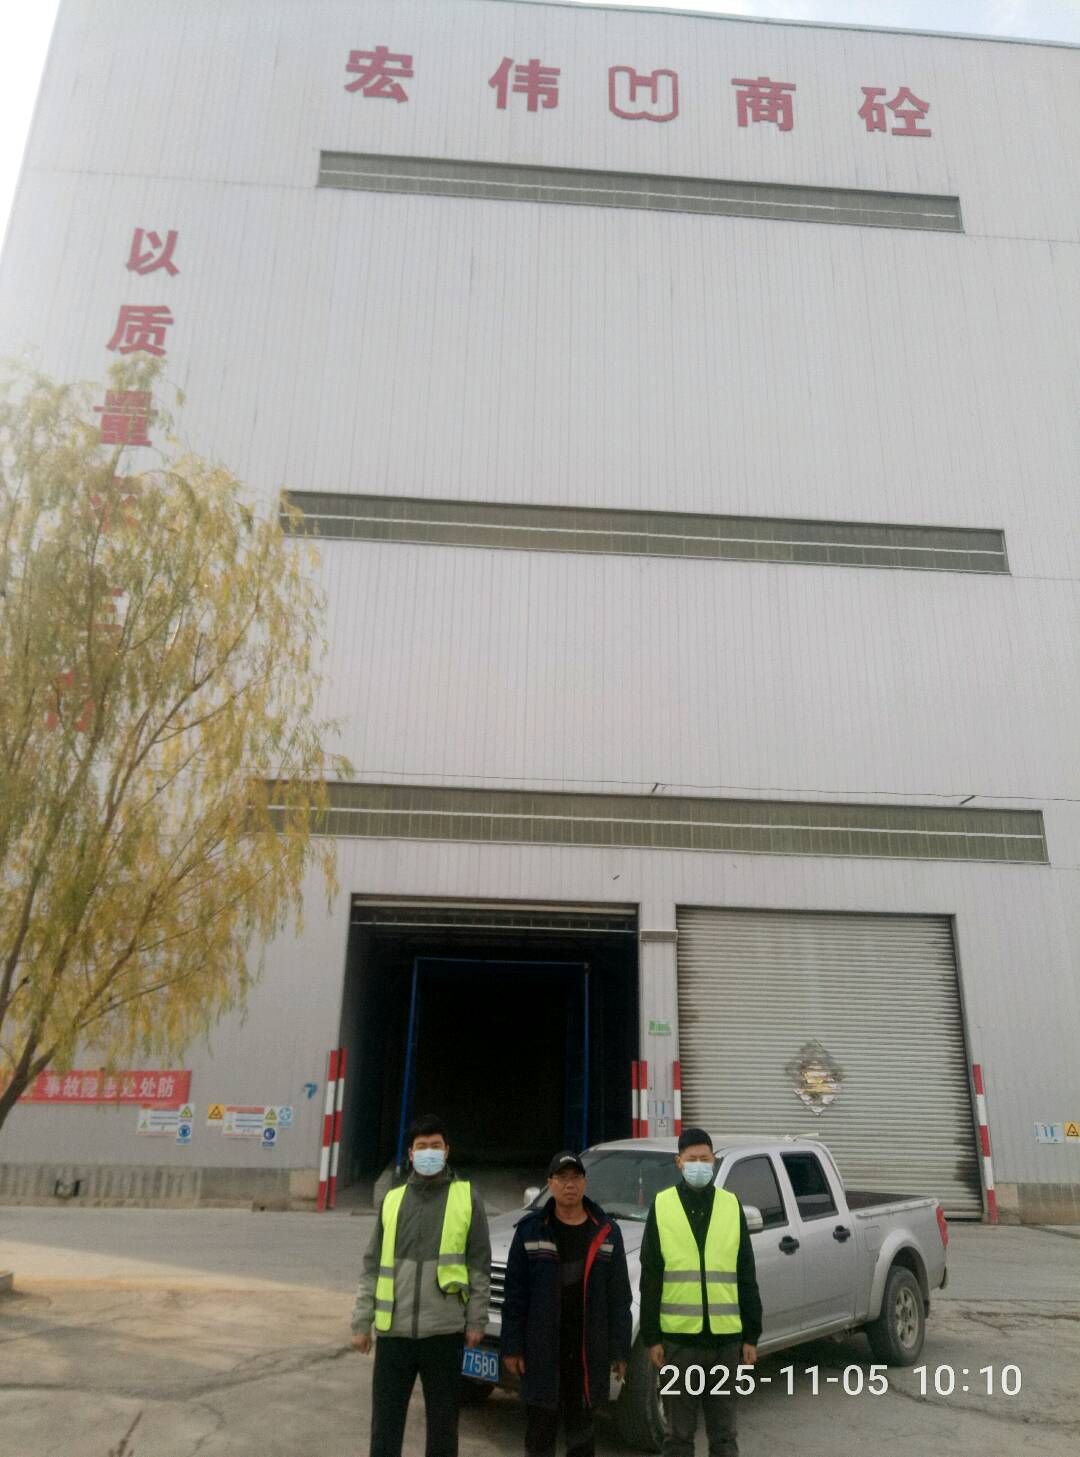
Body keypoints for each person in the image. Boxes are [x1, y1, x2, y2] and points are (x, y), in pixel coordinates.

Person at [351, 1115, 491, 1457]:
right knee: (385, 1427)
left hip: (443, 1333)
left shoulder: (466, 1198)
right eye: (422, 1147)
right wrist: (361, 1321)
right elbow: (372, 1265)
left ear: (447, 1151)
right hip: (394, 1334)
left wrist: (476, 1320)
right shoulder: (393, 1200)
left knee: (443, 1427)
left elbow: (479, 1265)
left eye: (435, 1146)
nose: (429, 1152)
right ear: (411, 1154)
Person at [639, 1127, 763, 1457]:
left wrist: (751, 1335)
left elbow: (746, 1273)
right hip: (678, 1345)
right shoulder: (662, 1205)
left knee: (724, 1435)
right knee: (678, 1436)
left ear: (713, 1161)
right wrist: (652, 1338)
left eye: (704, 1159)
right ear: (678, 1162)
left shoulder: (730, 1205)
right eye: (691, 1159)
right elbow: (650, 1276)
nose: (698, 1165)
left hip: (725, 1344)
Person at [502, 1150, 632, 1457]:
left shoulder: (607, 1232)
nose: (569, 1184)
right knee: (539, 1436)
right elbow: (516, 1294)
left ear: (585, 1182)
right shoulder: (531, 1230)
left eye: (575, 1177)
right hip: (542, 1351)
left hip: (587, 1353)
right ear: (550, 1183)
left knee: (582, 1438)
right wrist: (512, 1345)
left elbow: (619, 1298)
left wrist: (619, 1350)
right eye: (562, 1178)